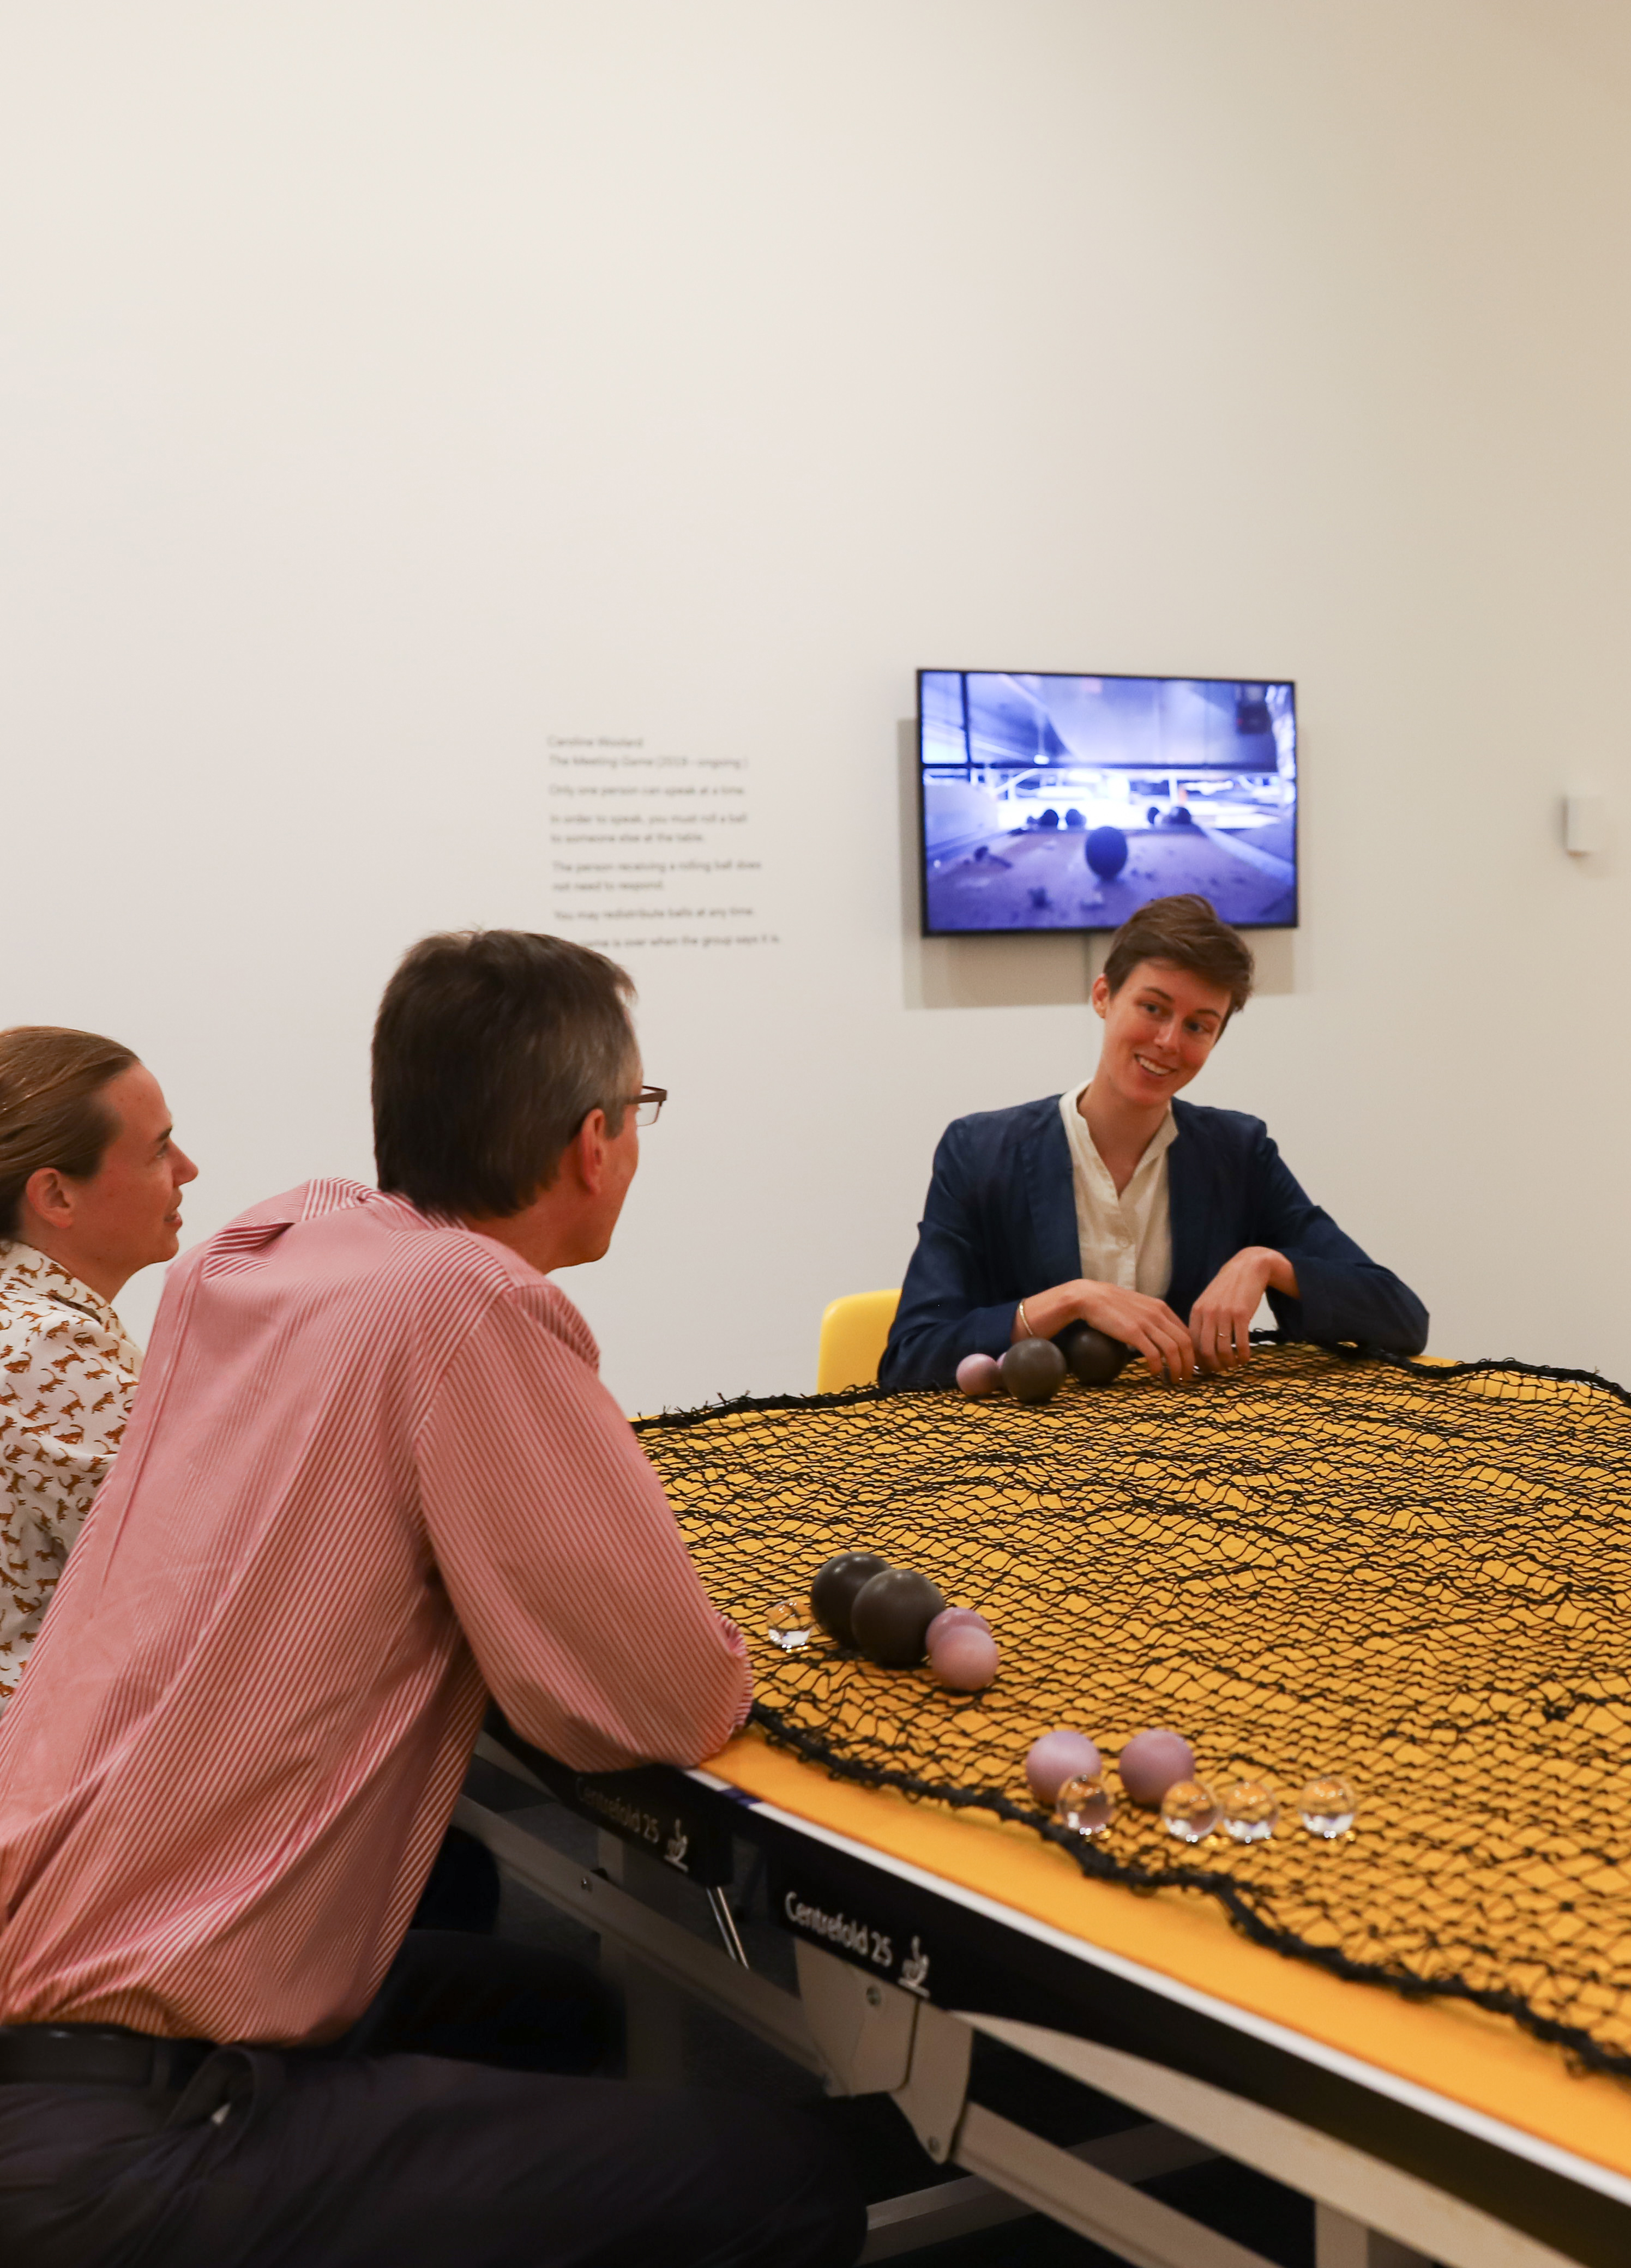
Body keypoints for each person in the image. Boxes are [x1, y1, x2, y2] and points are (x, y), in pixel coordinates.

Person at [0, 932, 862, 2268]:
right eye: (638, 1111)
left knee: (558, 2005)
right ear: (596, 1142)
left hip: (43, 1980)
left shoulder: (263, 1249)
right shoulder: (467, 1304)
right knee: (790, 2169)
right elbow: (661, 1701)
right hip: (129, 2137)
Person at [880, 893, 1427, 1389]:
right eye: (1153, 1008)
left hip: (1187, 1461)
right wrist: (1071, 1299)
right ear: (1103, 996)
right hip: (1018, 1470)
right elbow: (910, 1359)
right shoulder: (978, 1152)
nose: (1168, 1041)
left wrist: (1266, 1262)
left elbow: (1402, 1318)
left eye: (1198, 1025)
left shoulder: (1238, 1153)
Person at [0, 1027, 197, 1716]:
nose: (187, 1168)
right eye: (157, 1150)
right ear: (56, 1195)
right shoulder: (36, 1346)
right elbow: (202, 1561)